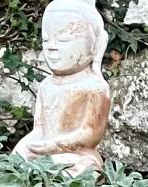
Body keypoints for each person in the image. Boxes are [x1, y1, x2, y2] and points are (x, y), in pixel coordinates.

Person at [12, 0, 111, 177]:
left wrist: (54, 145)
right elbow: (39, 129)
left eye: (64, 39)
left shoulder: (95, 88)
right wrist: (26, 147)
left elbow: (90, 134)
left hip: (76, 155)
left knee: (82, 171)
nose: (52, 47)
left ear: (95, 44)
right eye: (46, 40)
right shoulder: (46, 86)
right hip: (43, 152)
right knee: (16, 163)